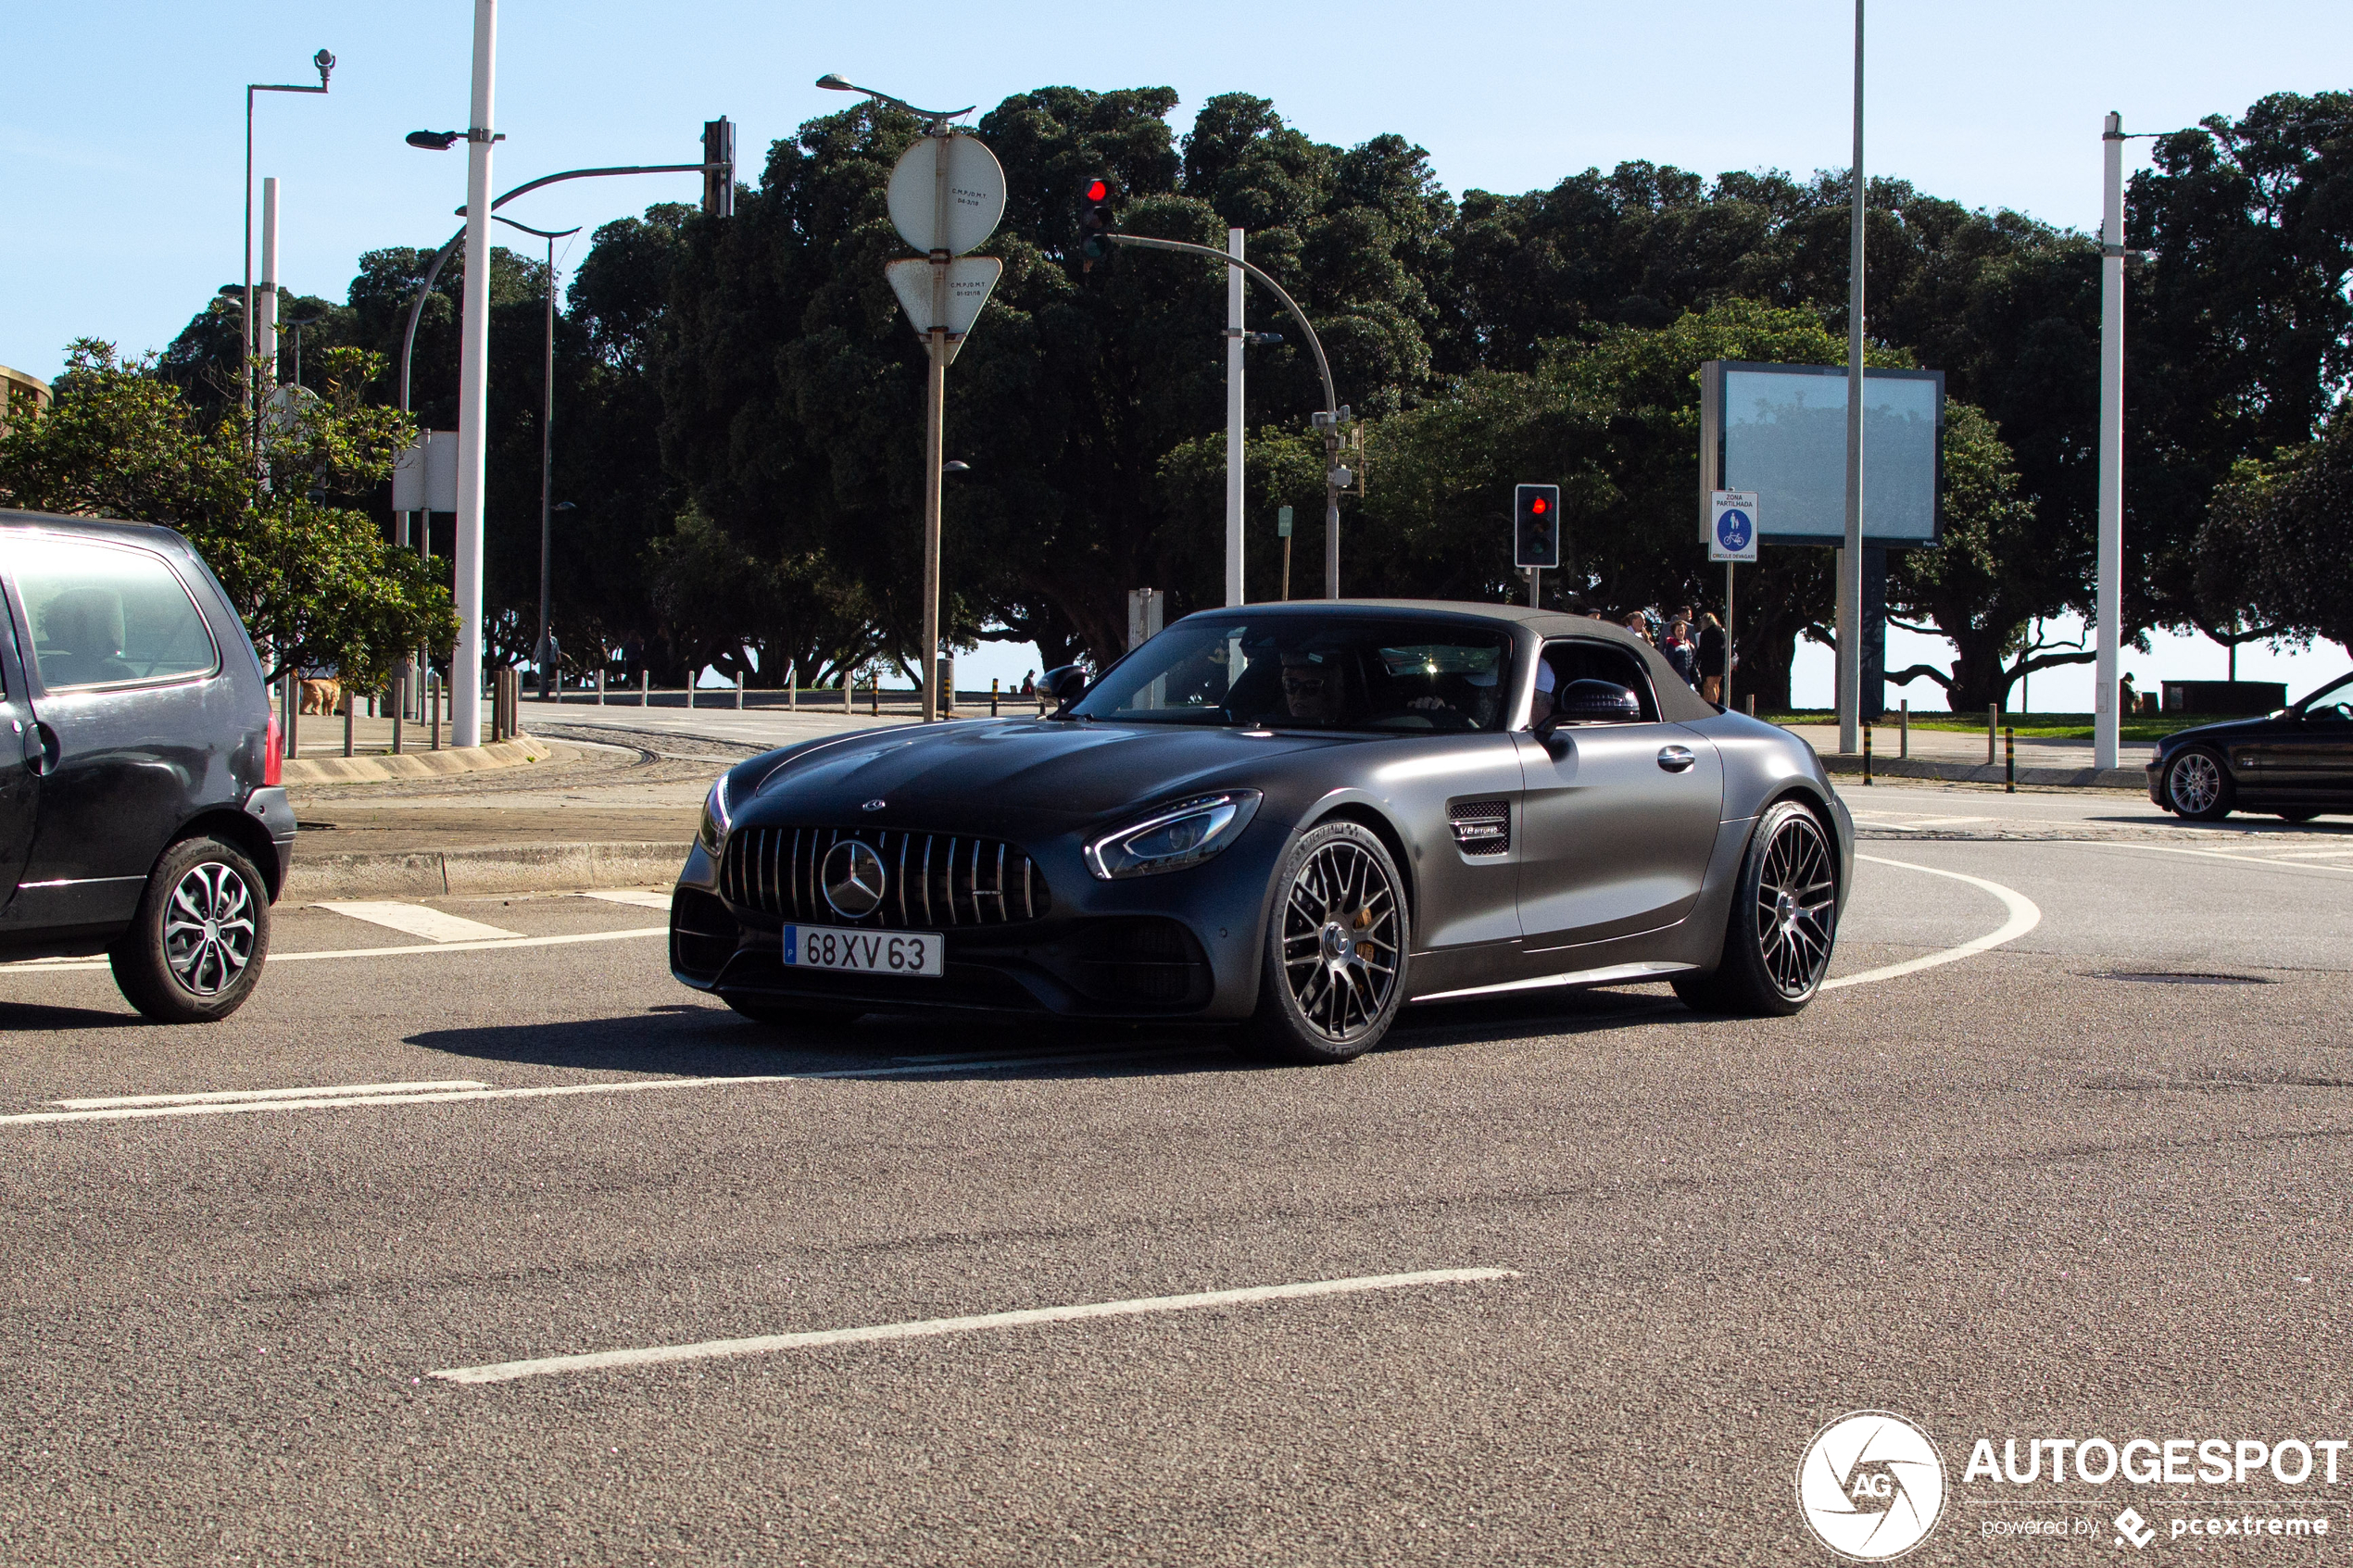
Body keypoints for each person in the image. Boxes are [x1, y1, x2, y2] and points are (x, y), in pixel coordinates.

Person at [1697, 612, 1728, 705]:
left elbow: (1702, 649)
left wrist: (1696, 658)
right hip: (1720, 664)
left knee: (1710, 687)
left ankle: (1712, 705)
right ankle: (1715, 703)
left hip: (1709, 664)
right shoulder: (1720, 631)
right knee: (1716, 686)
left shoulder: (1706, 633)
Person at [1662, 620, 1699, 688]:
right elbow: (1669, 661)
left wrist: (1692, 650)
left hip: (1687, 676)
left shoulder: (1687, 643)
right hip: (1677, 676)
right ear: (1674, 632)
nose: (1680, 632)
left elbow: (1690, 658)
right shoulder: (1671, 644)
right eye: (1678, 630)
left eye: (1682, 630)